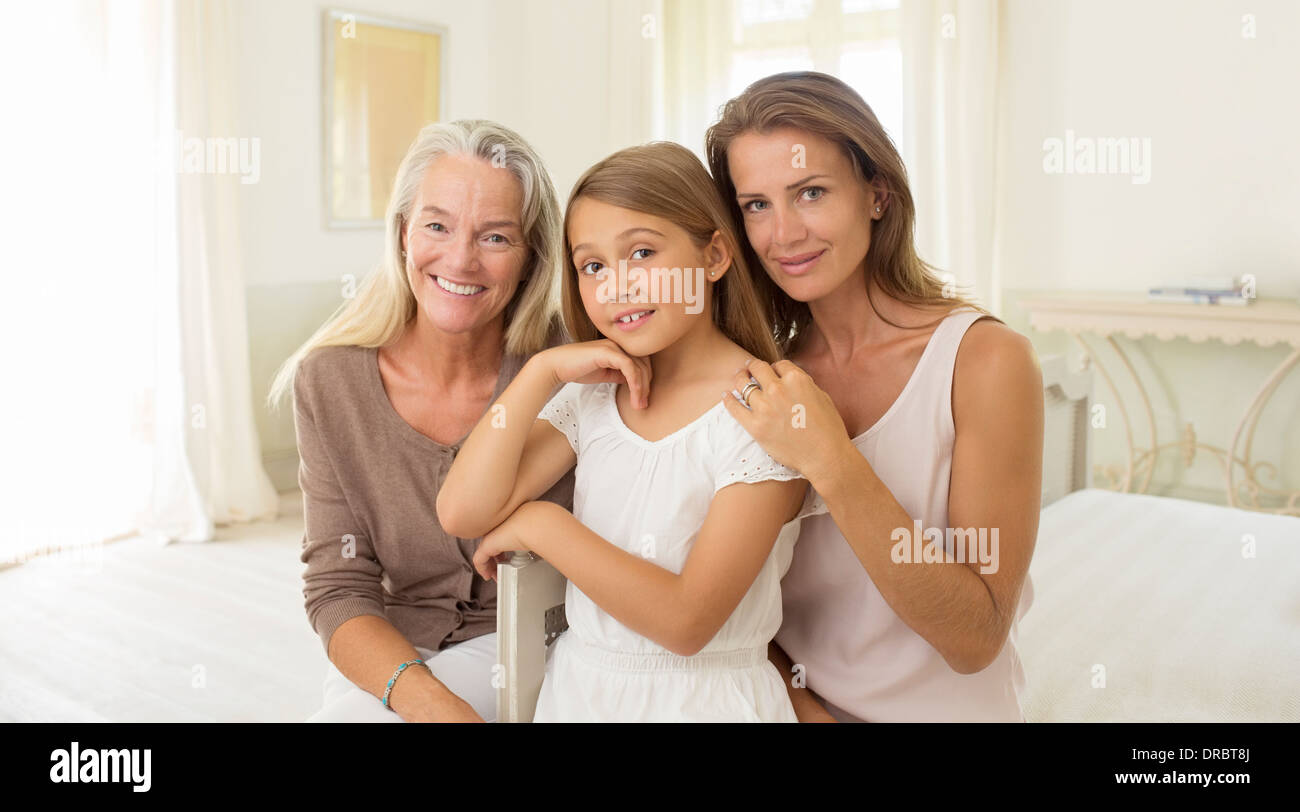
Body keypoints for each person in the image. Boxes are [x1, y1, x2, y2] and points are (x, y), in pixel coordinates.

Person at [438, 141, 826, 721]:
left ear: (715, 255)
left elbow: (686, 622)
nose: (616, 287)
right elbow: (462, 512)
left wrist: (543, 524)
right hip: (579, 697)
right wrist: (543, 372)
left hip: (707, 704)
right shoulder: (594, 397)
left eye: (641, 252)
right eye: (592, 266)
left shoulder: (763, 412)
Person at [705, 71, 1044, 722]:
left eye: (810, 192)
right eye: (756, 205)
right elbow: (742, 613)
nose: (785, 234)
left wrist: (831, 461)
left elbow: (975, 638)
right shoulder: (761, 380)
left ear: (877, 194)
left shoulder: (985, 362)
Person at [266, 119, 575, 722]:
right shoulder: (328, 381)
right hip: (391, 646)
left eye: (495, 237)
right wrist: (430, 702)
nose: (460, 259)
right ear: (403, 233)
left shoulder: (568, 368)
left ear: (530, 255)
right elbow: (338, 587)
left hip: (540, 643)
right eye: (437, 225)